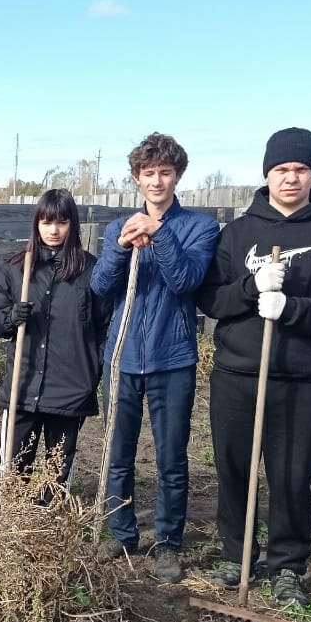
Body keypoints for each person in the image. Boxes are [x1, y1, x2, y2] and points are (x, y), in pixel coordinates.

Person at [197, 128, 311, 605]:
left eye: (300, 169)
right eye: (281, 169)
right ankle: (238, 554)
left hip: (298, 378)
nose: (290, 177)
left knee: (292, 473)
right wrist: (252, 289)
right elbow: (211, 298)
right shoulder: (238, 233)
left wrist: (290, 308)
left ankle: (287, 564)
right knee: (234, 467)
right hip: (237, 373)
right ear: (267, 173)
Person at [91, 133, 219, 583]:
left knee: (170, 457)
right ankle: (122, 533)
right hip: (121, 357)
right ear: (136, 179)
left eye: (165, 173)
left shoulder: (200, 228)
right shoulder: (116, 228)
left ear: (177, 176)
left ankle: (167, 542)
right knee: (118, 453)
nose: (157, 181)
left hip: (173, 358)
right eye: (149, 174)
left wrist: (161, 235)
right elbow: (101, 288)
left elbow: (185, 281)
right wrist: (120, 249)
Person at [0, 188, 114, 501]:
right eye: (47, 222)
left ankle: (51, 530)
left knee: (57, 473)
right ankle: (14, 528)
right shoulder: (16, 269)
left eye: (61, 222)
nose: (54, 230)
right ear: (37, 224)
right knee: (13, 470)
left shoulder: (91, 271)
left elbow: (104, 326)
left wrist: (92, 372)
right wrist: (10, 318)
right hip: (23, 384)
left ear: (72, 224)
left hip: (70, 388)